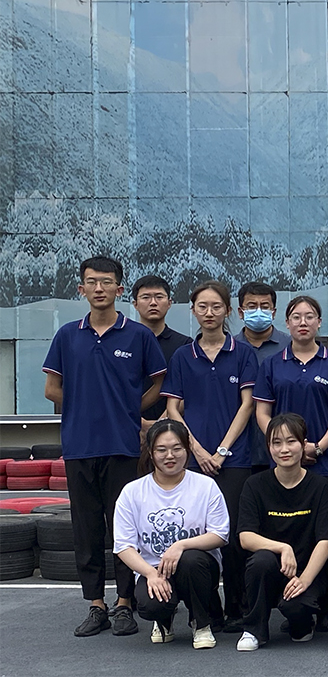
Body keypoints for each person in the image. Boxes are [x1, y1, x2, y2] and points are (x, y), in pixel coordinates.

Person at [43, 256, 168, 637]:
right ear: (81, 289)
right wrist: (84, 407)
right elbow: (51, 389)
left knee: (124, 528)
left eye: (107, 282)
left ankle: (125, 603)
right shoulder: (67, 335)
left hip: (122, 446)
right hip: (79, 446)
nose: (99, 288)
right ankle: (96, 604)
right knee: (86, 528)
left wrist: (130, 410)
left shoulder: (138, 336)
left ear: (119, 288)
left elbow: (159, 383)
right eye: (92, 282)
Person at [162, 280, 259, 631]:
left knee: (232, 536)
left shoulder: (243, 353)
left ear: (228, 311)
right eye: (202, 306)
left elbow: (248, 405)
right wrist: (198, 450)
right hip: (192, 459)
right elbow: (173, 408)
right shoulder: (182, 356)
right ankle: (205, 610)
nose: (209, 313)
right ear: (193, 311)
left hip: (235, 460)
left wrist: (221, 451)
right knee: (195, 533)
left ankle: (238, 609)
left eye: (216, 306)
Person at [113, 419, 230, 649]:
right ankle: (163, 620)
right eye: (161, 450)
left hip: (197, 566)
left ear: (187, 450)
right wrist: (150, 574)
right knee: (150, 606)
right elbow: (123, 546)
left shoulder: (205, 486)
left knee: (191, 560)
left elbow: (220, 534)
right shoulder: (132, 492)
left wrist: (181, 545)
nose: (170, 456)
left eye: (177, 448)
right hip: (154, 568)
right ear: (150, 452)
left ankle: (201, 623)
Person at [236, 413, 328, 652]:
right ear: (268, 447)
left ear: (303, 445)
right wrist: (282, 548)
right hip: (272, 569)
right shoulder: (254, 485)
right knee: (260, 560)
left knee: (297, 616)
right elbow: (245, 537)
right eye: (276, 443)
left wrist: (304, 580)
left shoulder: (321, 486)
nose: (284, 449)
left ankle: (303, 623)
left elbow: (326, 541)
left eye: (291, 441)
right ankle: (254, 630)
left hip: (308, 571)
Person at [254, 295, 328, 480]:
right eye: (296, 317)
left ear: (319, 322)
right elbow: (262, 413)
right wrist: (285, 445)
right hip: (284, 460)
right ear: (287, 323)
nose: (303, 322)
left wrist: (318, 448)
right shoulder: (271, 364)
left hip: (327, 462)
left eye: (309, 317)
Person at [235, 281, 291, 472]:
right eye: (252, 306)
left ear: (273, 312)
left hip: (284, 448)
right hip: (239, 448)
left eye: (265, 307)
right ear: (241, 312)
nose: (258, 311)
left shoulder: (290, 346)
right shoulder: (230, 348)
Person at [131, 275, 192, 423]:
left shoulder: (185, 344)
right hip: (127, 424)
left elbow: (190, 391)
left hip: (172, 428)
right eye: (146, 297)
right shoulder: (124, 341)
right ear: (135, 304)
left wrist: (160, 424)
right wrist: (138, 421)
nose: (153, 303)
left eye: (159, 297)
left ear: (169, 303)